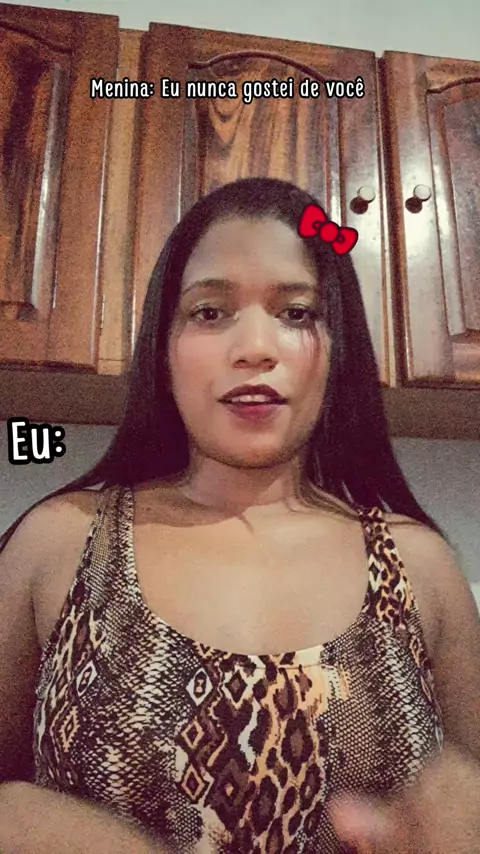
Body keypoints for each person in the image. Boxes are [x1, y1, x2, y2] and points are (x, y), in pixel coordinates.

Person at [0, 178, 479, 854]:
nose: (255, 347)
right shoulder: (57, 542)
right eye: (209, 311)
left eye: (297, 312)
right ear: (163, 347)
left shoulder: (421, 566)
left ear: (339, 347)